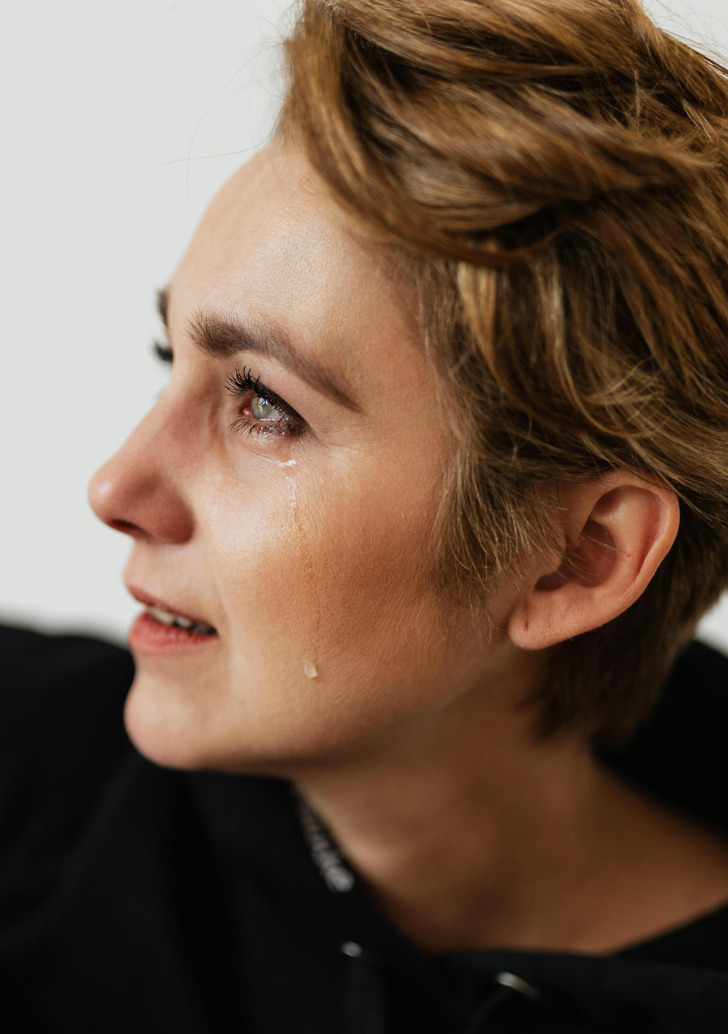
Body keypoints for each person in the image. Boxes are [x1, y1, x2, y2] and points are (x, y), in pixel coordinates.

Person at [4, 0, 728, 1030]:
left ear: (576, 559)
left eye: (265, 404)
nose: (115, 488)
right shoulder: (36, 787)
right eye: (173, 355)